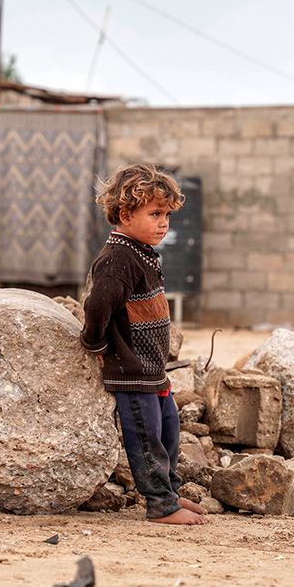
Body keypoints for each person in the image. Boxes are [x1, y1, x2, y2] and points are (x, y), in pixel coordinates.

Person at [81, 163, 208, 526]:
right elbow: (97, 305)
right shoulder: (118, 259)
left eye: (167, 215)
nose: (164, 223)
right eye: (155, 214)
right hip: (131, 369)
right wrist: (95, 344)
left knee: (168, 430)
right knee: (146, 437)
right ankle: (160, 504)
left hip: (153, 369)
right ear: (125, 215)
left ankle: (170, 491)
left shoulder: (141, 252)